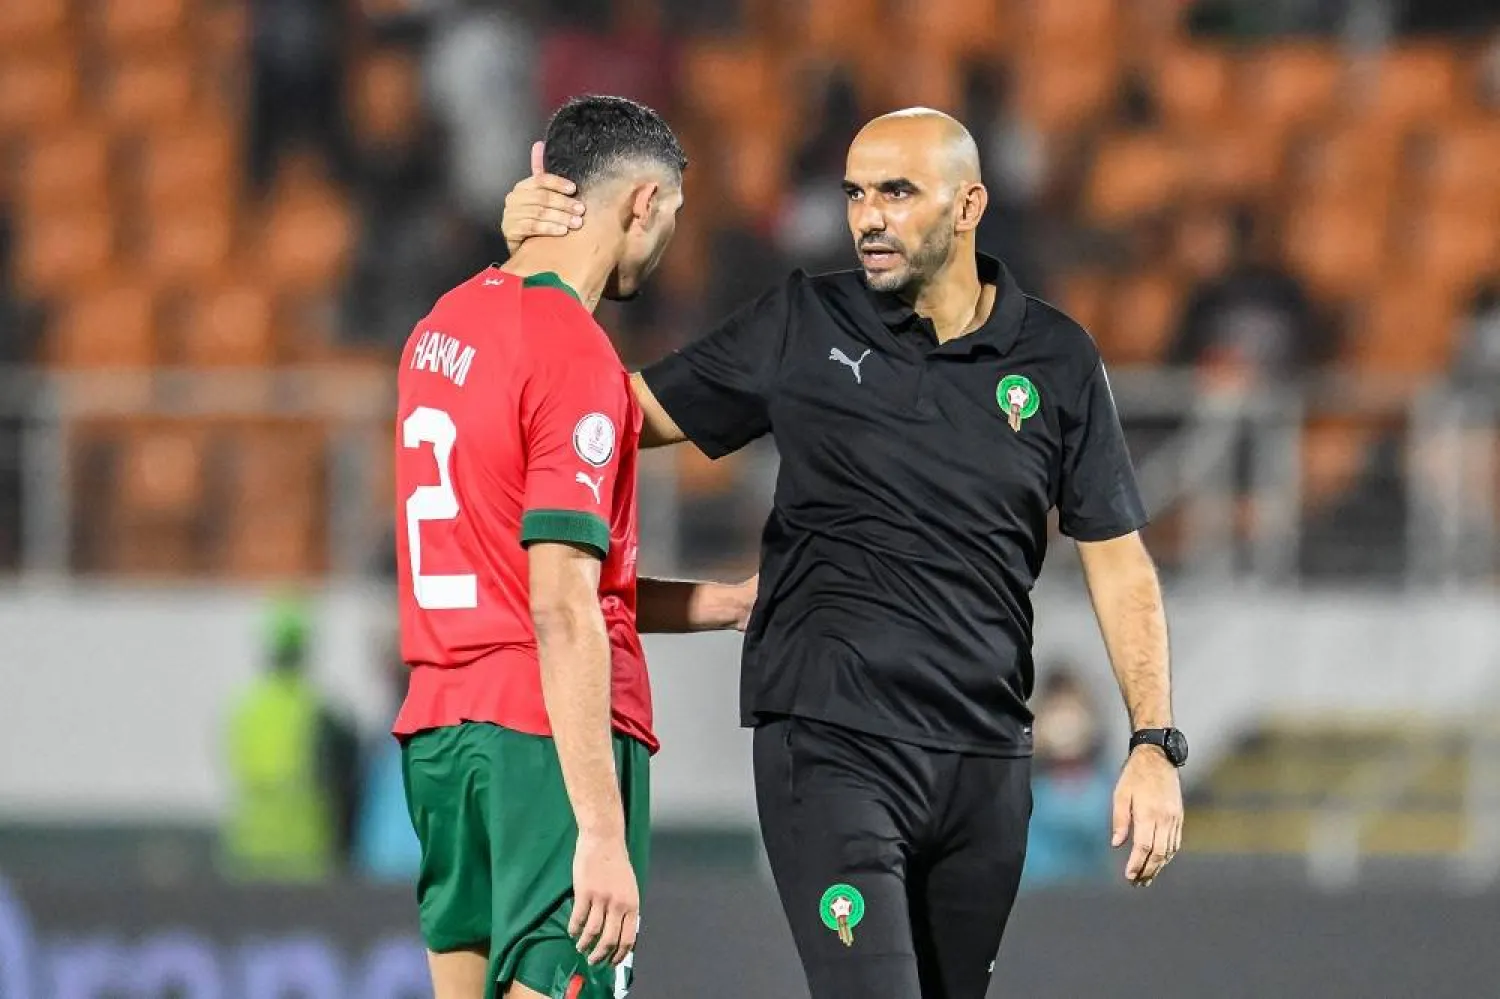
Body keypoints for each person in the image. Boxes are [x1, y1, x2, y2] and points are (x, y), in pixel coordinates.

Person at [502, 106, 1187, 999]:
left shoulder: (1055, 357)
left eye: (897, 192)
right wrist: (530, 271)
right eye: (856, 193)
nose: (867, 215)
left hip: (984, 757)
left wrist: (1153, 743)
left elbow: (1119, 558)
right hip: (829, 741)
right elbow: (600, 414)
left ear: (970, 203)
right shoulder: (802, 322)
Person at [394, 95, 755, 999]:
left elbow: (521, 571)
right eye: (669, 216)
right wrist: (598, 824)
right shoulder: (574, 353)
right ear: (641, 203)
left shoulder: (439, 327)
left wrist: (727, 602)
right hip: (545, 742)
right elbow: (558, 605)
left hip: (442, 732)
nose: (666, 242)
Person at [1021, 666, 1116, 890]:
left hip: (1097, 904)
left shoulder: (1111, 790)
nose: (1064, 723)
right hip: (1035, 904)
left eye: (1072, 708)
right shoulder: (1021, 789)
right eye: (1055, 709)